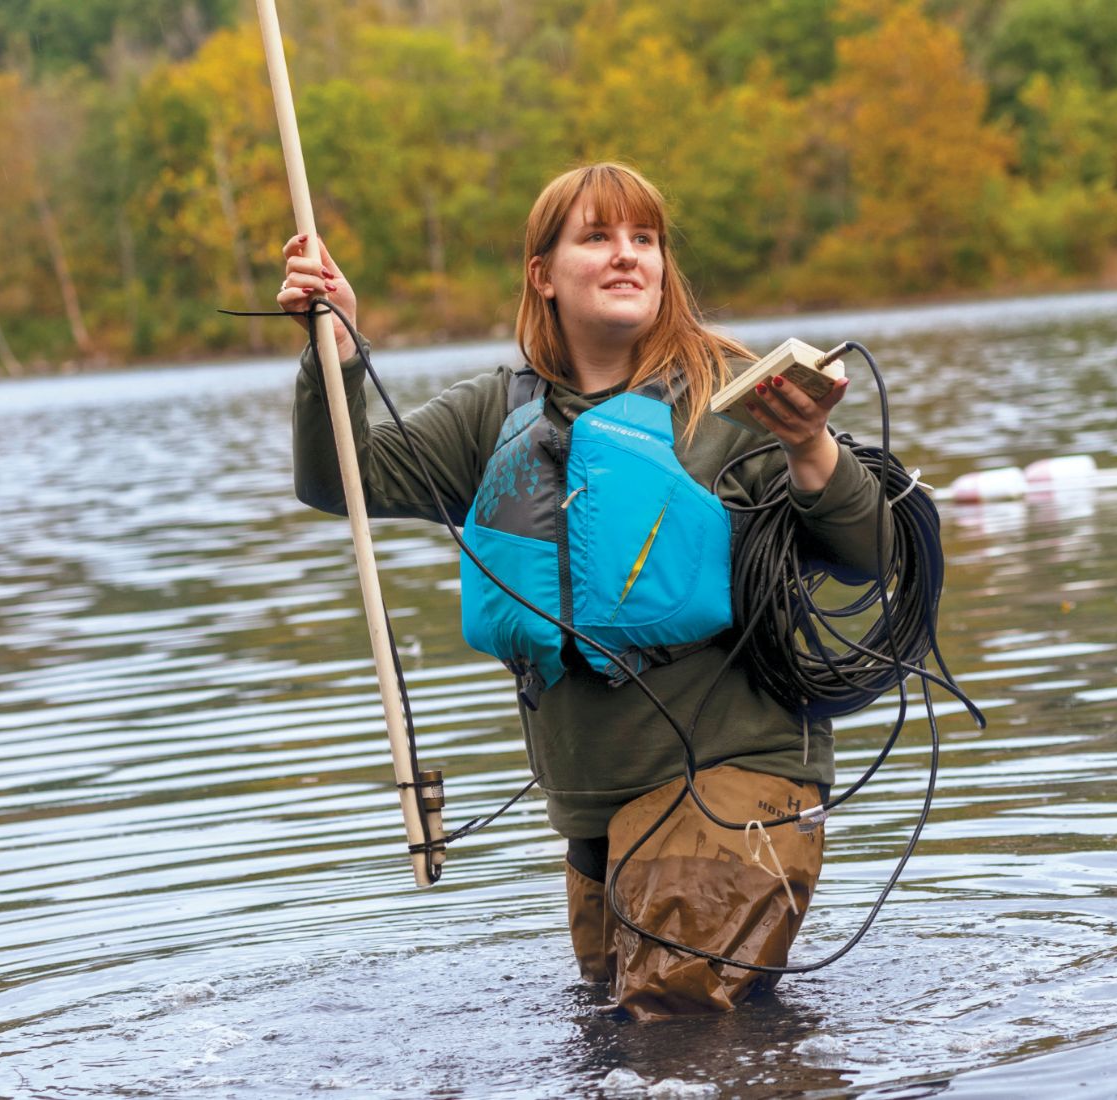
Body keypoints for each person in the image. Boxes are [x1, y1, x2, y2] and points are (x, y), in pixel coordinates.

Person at [278, 163, 887, 1019]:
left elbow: (869, 554)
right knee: (629, 1035)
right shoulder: (496, 410)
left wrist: (813, 447)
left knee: (670, 1038)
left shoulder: (735, 393)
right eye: (597, 238)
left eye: (645, 239)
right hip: (595, 815)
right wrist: (333, 355)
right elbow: (340, 478)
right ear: (543, 274)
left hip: (734, 782)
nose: (626, 256)